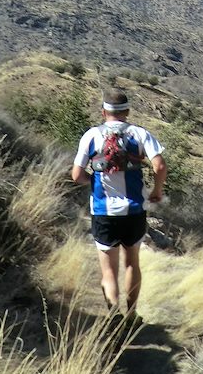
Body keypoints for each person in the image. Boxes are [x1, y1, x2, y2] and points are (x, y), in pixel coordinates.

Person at [71, 88, 167, 317]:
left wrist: (92, 183)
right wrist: (156, 191)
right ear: (127, 111)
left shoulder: (91, 135)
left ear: (104, 112)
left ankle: (113, 317)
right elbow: (160, 166)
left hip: (103, 211)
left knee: (109, 271)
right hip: (134, 210)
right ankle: (132, 314)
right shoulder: (139, 134)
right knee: (132, 262)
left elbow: (76, 175)